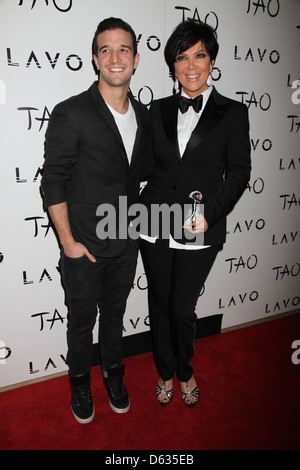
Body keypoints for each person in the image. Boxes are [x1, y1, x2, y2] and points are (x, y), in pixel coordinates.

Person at [41, 17, 148, 424]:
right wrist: (68, 242)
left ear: (136, 60)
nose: (115, 57)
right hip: (83, 245)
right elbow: (53, 181)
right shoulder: (72, 113)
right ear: (95, 59)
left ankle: (114, 375)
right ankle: (80, 382)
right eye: (106, 49)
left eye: (124, 50)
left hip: (126, 243)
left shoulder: (144, 115)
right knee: (82, 321)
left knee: (116, 318)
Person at [139, 19, 251, 408]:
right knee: (159, 303)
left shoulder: (233, 113)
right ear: (172, 65)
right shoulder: (157, 109)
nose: (190, 65)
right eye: (181, 57)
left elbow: (239, 173)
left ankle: (185, 371)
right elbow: (145, 166)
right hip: (154, 222)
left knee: (181, 308)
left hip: (200, 224)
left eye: (199, 55)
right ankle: (165, 370)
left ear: (212, 60)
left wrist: (211, 214)